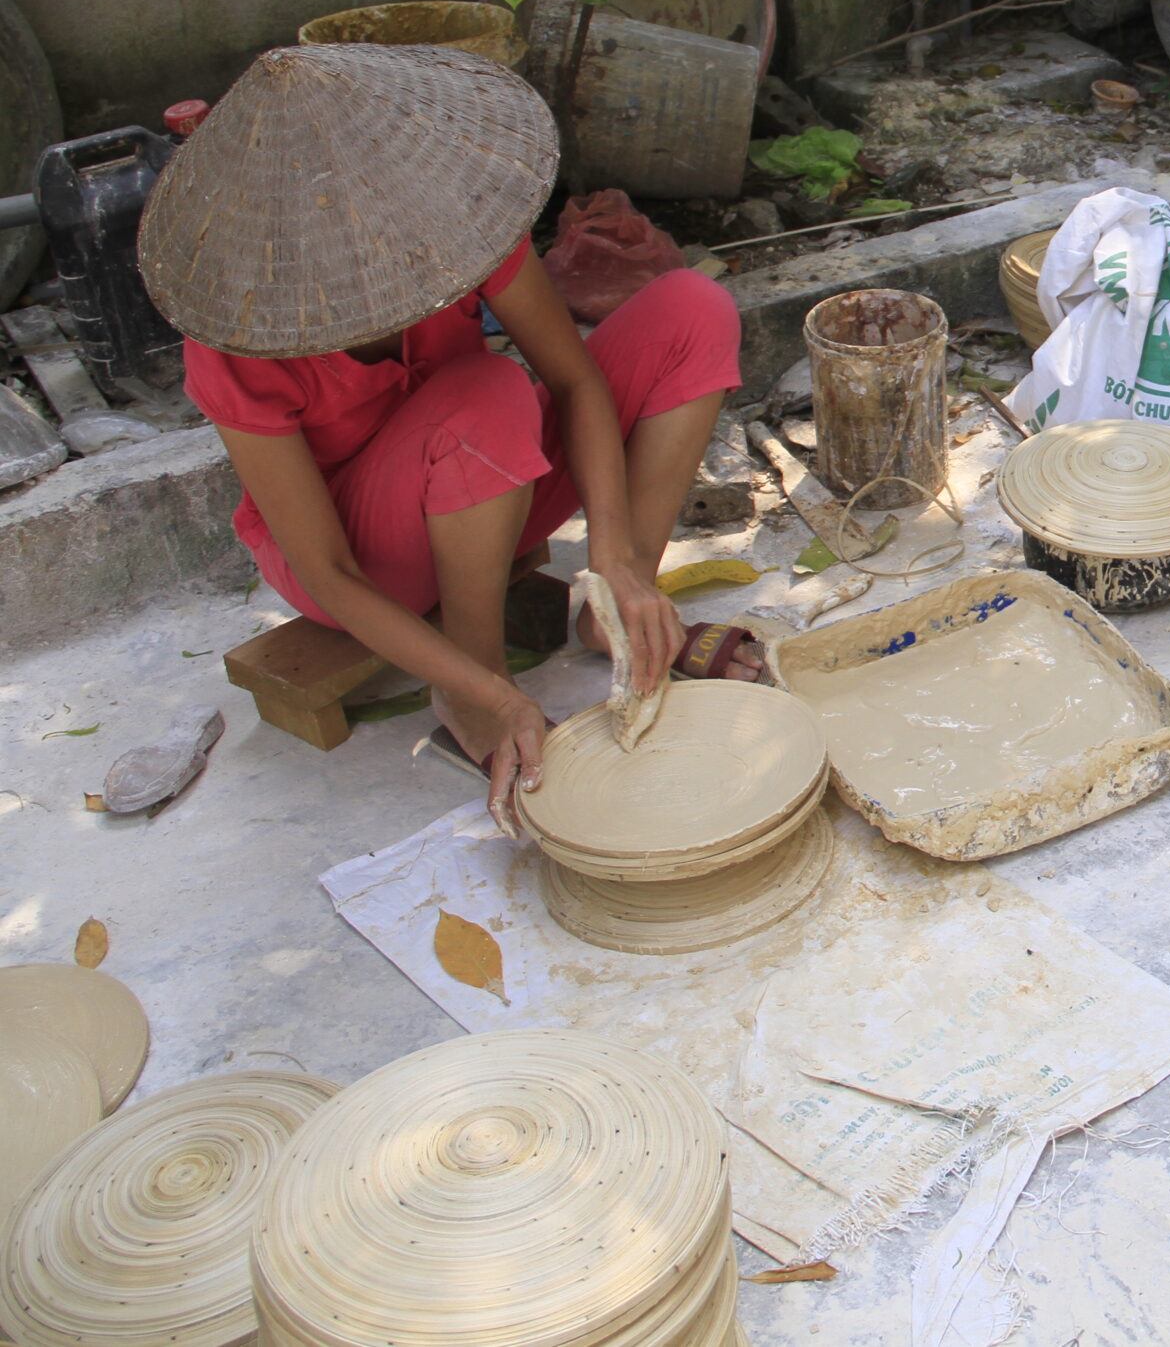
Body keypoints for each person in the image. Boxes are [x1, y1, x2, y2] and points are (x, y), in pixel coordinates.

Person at [140, 43, 753, 832]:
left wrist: (612, 560)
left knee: (692, 311)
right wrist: (495, 692)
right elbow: (326, 572)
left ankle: (614, 614)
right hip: (365, 560)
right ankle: (469, 681)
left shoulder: (449, 223)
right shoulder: (231, 330)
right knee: (485, 397)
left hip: (492, 484)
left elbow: (574, 383)